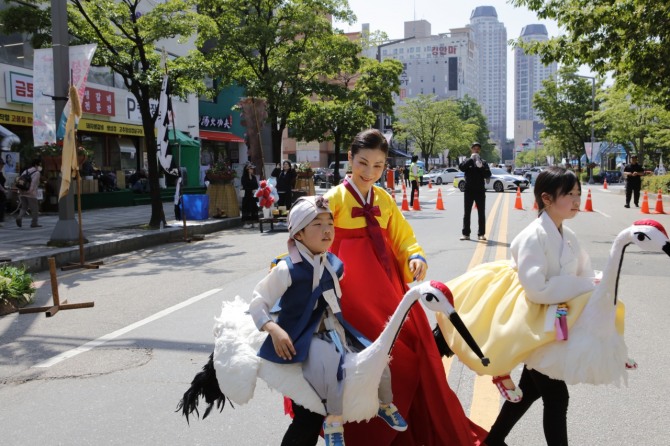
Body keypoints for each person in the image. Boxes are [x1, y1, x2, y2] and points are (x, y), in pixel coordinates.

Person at [322, 129, 487, 445]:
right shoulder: (332, 200)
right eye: (363, 163)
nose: (369, 172)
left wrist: (414, 255)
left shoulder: (383, 199)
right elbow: (311, 237)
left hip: (386, 290)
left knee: (405, 353)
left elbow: (403, 236)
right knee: (360, 360)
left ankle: (401, 429)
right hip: (348, 295)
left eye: (378, 165)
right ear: (349, 159)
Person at [249, 196, 407, 446]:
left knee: (378, 358)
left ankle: (384, 404)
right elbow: (258, 302)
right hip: (305, 336)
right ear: (298, 234)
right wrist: (273, 329)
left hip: (335, 329)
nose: (327, 230)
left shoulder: (333, 264)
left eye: (330, 224)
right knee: (329, 373)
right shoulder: (286, 269)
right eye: (317, 224)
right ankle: (334, 422)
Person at [459, 142, 491, 241]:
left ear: (479, 150)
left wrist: (481, 167)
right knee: (467, 212)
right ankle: (466, 234)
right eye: (474, 148)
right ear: (471, 149)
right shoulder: (467, 160)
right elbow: (461, 168)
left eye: (478, 149)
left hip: (480, 190)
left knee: (481, 212)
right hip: (469, 190)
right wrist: (470, 160)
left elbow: (488, 174)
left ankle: (481, 234)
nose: (476, 150)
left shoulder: (483, 162)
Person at [16, 158, 42, 228]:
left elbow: (20, 181)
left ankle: (19, 217)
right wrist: (29, 191)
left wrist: (21, 191)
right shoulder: (37, 173)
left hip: (22, 193)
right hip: (31, 194)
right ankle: (34, 223)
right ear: (36, 165)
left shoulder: (25, 171)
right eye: (39, 165)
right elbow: (33, 183)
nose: (40, 166)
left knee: (24, 207)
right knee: (35, 209)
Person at [240, 163, 259, 229]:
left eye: (252, 168)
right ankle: (246, 223)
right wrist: (251, 190)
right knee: (247, 209)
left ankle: (254, 222)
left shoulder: (254, 177)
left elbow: (256, 185)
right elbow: (245, 186)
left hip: (253, 196)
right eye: (251, 168)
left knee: (254, 208)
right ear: (247, 169)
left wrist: (255, 190)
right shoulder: (244, 177)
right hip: (247, 196)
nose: (252, 170)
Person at [0, 158, 6, 226]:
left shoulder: (1, 172)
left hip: (1, 193)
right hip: (1, 192)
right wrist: (3, 190)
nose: (2, 166)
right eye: (1, 164)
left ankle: (1, 219)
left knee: (2, 205)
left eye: (2, 164)